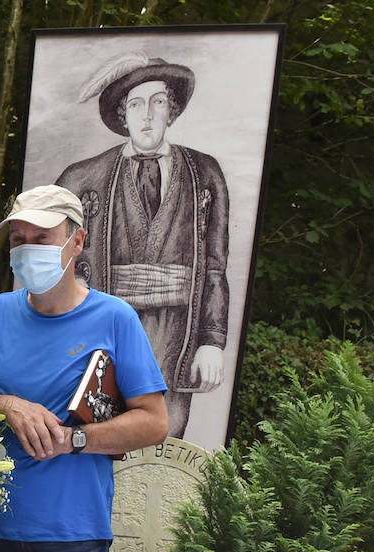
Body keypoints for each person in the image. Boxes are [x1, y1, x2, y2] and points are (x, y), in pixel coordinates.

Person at [0, 185, 168, 552]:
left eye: (42, 239)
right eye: (18, 240)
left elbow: (154, 422)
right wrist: (7, 405)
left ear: (78, 241)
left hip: (75, 541)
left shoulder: (115, 318)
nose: (28, 250)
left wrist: (75, 440)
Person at [55, 54, 229, 439]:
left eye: (158, 102)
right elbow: (54, 266)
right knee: (96, 435)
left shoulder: (205, 174)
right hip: (104, 325)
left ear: (173, 110)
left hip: (176, 330)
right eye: (136, 104)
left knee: (164, 436)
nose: (147, 115)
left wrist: (212, 341)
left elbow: (215, 265)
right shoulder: (82, 178)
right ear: (123, 114)